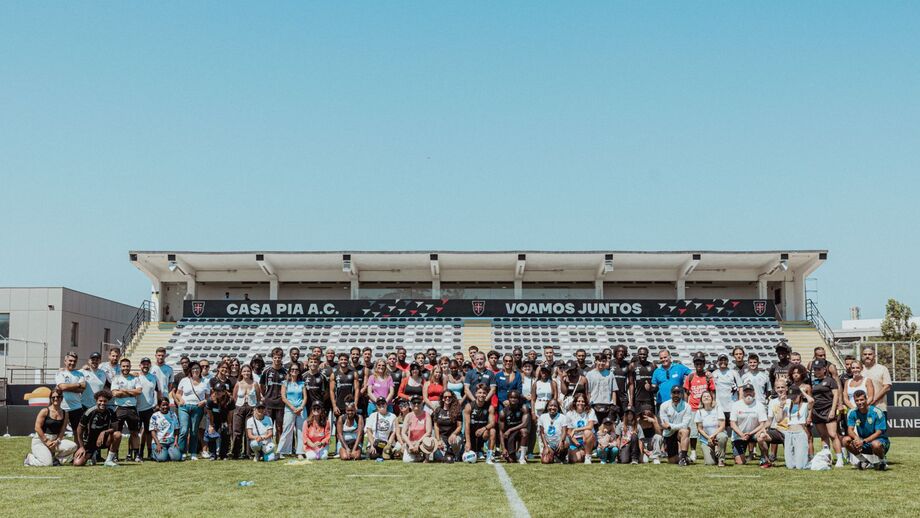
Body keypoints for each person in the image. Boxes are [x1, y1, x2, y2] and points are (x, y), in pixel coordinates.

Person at [24, 388, 78, 466]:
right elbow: (37, 428)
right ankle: (29, 458)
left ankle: (56, 460)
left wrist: (58, 440)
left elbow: (62, 430)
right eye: (53, 397)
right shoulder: (45, 411)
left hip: (55, 441)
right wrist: (47, 441)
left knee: (73, 446)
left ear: (62, 398)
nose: (56, 399)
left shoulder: (65, 413)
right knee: (47, 464)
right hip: (41, 441)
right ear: (50, 399)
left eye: (58, 397)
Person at [73, 390, 121, 467]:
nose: (102, 403)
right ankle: (92, 454)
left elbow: (115, 428)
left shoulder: (111, 411)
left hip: (104, 440)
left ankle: (108, 460)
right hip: (90, 442)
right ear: (96, 401)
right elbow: (79, 430)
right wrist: (81, 447)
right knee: (77, 463)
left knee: (117, 434)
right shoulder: (89, 412)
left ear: (108, 401)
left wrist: (104, 432)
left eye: (105, 401)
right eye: (100, 401)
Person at [844, 390, 890, 471]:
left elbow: (879, 432)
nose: (859, 402)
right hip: (863, 443)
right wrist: (856, 438)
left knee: (875, 444)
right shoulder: (853, 412)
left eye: (862, 399)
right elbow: (850, 430)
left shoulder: (877, 412)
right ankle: (864, 462)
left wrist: (863, 441)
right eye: (857, 400)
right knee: (845, 440)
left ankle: (883, 462)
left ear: (866, 399)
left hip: (880, 442)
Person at [810, 359, 844, 468]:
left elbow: (836, 395)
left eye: (819, 369)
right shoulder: (813, 381)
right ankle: (827, 458)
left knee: (833, 434)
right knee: (823, 436)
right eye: (815, 369)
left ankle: (839, 459)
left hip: (828, 409)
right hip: (817, 411)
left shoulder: (830, 380)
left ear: (824, 369)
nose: (817, 371)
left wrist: (833, 410)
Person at [683, 352, 714, 463]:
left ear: (704, 363)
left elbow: (712, 391)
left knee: (708, 430)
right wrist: (686, 405)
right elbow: (686, 392)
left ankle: (710, 450)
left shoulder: (708, 376)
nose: (699, 364)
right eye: (697, 362)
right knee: (693, 433)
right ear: (694, 364)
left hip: (705, 408)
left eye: (700, 362)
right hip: (693, 408)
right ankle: (693, 452)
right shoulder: (690, 376)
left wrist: (713, 403)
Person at [175, 361, 210, 460]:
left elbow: (208, 397)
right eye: (193, 368)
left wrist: (204, 402)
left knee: (194, 430)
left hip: (197, 407)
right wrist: (180, 399)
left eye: (197, 368)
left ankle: (193, 452)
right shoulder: (184, 380)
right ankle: (182, 452)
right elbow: (177, 393)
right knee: (184, 430)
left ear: (200, 370)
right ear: (190, 370)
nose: (195, 370)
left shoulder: (205, 381)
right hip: (184, 407)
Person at [729, 384, 770, 467]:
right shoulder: (736, 405)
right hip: (739, 435)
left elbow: (762, 424)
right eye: (746, 392)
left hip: (754, 433)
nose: (748, 394)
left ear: (754, 393)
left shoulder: (759, 405)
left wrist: (750, 433)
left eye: (750, 392)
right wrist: (741, 434)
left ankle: (764, 458)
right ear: (743, 393)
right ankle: (740, 455)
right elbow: (732, 424)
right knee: (740, 462)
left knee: (762, 436)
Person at [111, 357, 143, 462]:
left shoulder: (135, 378)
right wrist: (131, 392)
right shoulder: (116, 378)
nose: (126, 368)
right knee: (117, 433)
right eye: (124, 366)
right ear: (120, 367)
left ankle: (137, 455)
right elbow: (115, 393)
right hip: (120, 408)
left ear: (130, 367)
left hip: (132, 408)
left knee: (134, 433)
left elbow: (138, 392)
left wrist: (124, 391)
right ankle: (114, 455)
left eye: (127, 366)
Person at [231, 364, 262, 459]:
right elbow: (234, 398)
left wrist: (256, 411)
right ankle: (236, 453)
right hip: (239, 407)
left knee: (249, 431)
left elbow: (258, 398)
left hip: (251, 408)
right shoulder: (238, 383)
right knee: (237, 431)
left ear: (251, 372)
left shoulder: (255, 384)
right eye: (244, 371)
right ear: (241, 372)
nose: (246, 373)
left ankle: (249, 453)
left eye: (248, 371)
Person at [278, 364, 307, 458]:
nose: (294, 371)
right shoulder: (285, 383)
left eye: (296, 369)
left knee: (301, 431)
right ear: (290, 371)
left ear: (299, 371)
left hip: (301, 409)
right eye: (292, 369)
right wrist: (293, 408)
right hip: (289, 409)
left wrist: (301, 407)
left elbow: (305, 397)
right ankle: (283, 451)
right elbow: (283, 397)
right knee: (287, 430)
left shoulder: (302, 383)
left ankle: (300, 452)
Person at [659, 386, 692, 466]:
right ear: (671, 394)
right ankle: (682, 457)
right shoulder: (664, 405)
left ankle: (683, 458)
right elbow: (665, 424)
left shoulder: (687, 406)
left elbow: (685, 425)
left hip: (679, 432)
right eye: (674, 393)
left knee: (685, 431)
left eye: (678, 393)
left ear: (682, 394)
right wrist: (670, 427)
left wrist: (671, 426)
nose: (676, 395)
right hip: (668, 433)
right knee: (672, 461)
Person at [135, 357, 161, 461]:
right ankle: (136, 453)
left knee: (149, 432)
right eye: (143, 364)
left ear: (150, 365)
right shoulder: (135, 377)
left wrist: (158, 404)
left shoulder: (153, 378)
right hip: (136, 408)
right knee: (135, 432)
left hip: (149, 409)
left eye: (147, 364)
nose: (145, 366)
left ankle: (149, 452)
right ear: (140, 366)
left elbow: (158, 391)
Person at [464, 384, 497, 464]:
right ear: (475, 394)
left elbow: (492, 423)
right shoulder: (469, 406)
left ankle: (489, 457)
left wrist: (484, 429)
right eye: (479, 392)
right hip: (472, 433)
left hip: (483, 433)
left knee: (493, 431)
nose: (481, 395)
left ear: (486, 394)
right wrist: (468, 442)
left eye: (484, 393)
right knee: (466, 456)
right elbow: (467, 425)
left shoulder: (490, 407)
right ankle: (474, 449)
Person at [781, 386, 812, 469]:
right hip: (789, 433)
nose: (793, 399)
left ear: (799, 395)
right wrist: (781, 405)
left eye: (795, 397)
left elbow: (811, 401)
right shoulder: (787, 405)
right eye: (791, 397)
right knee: (789, 466)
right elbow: (779, 419)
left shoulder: (805, 405)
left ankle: (808, 461)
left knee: (800, 466)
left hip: (800, 433)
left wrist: (803, 392)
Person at [261, 347, 288, 442]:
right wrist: (265, 397)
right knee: (268, 427)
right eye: (275, 357)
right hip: (269, 404)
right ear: (272, 358)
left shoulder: (285, 372)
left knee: (280, 427)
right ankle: (268, 447)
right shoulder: (266, 371)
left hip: (280, 403)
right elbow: (262, 386)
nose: (277, 359)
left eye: (279, 357)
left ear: (281, 358)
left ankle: (279, 450)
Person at [55, 352, 86, 435]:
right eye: (70, 360)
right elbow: (62, 387)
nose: (72, 363)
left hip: (76, 407)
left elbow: (82, 389)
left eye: (74, 361)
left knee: (78, 432)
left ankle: (78, 448)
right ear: (65, 361)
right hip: (62, 407)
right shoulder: (60, 373)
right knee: (58, 432)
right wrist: (78, 385)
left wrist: (66, 388)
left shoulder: (80, 374)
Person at [759, 379, 789, 463]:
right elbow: (769, 420)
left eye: (782, 387)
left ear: (786, 388)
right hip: (777, 431)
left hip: (789, 431)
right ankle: (765, 460)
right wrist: (762, 429)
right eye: (778, 387)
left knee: (791, 463)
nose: (780, 389)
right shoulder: (772, 402)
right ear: (775, 389)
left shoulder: (791, 400)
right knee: (761, 437)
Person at [695, 391, 728, 466]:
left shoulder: (717, 409)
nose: (706, 397)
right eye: (704, 396)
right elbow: (699, 429)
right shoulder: (699, 412)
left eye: (708, 396)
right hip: (706, 439)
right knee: (710, 463)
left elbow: (722, 426)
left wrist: (712, 436)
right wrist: (708, 438)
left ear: (712, 399)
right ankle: (715, 454)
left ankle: (721, 459)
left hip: (717, 436)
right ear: (701, 400)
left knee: (722, 436)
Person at [586, 354, 619, 426]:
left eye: (603, 361)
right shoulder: (589, 374)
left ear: (606, 362)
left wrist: (614, 405)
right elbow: (588, 392)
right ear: (595, 361)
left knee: (607, 429)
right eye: (599, 361)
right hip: (594, 405)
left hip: (608, 405)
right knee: (594, 428)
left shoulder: (610, 374)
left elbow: (614, 391)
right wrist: (588, 405)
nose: (601, 363)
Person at [499, 389, 530, 464]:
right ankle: (514, 454)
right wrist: (503, 448)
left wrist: (510, 429)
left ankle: (522, 457)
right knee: (511, 460)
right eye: (511, 397)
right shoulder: (503, 412)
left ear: (518, 399)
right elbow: (501, 431)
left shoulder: (524, 408)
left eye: (515, 398)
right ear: (508, 399)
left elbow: (524, 424)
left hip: (518, 432)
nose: (513, 399)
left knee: (524, 431)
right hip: (509, 436)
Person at [564, 393, 597, 464]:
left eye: (583, 401)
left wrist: (576, 429)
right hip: (575, 440)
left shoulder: (590, 411)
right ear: (575, 402)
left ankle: (588, 456)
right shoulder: (569, 413)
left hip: (588, 439)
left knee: (587, 431)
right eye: (578, 401)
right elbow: (569, 432)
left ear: (586, 402)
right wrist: (577, 444)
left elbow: (590, 426)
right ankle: (576, 453)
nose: (580, 403)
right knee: (577, 459)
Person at [432, 390, 463, 462]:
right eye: (445, 397)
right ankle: (447, 453)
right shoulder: (438, 410)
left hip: (453, 437)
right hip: (442, 437)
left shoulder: (457, 410)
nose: (447, 398)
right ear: (442, 398)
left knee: (454, 441)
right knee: (438, 458)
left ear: (452, 398)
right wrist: (438, 440)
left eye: (449, 397)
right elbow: (436, 426)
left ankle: (456, 455)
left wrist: (454, 434)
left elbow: (459, 426)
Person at [860, 347, 892, 416]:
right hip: (862, 409)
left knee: (879, 427)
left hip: (879, 407)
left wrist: (874, 399)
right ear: (862, 356)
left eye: (870, 354)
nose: (867, 356)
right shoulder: (859, 370)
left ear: (874, 356)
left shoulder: (882, 369)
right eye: (865, 354)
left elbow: (887, 387)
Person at [711, 354, 742, 424]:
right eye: (721, 360)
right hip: (719, 406)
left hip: (732, 405)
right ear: (717, 362)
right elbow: (712, 390)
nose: (723, 362)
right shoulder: (714, 374)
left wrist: (740, 402)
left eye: (725, 360)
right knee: (721, 428)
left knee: (733, 426)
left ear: (728, 361)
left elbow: (740, 388)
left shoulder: (734, 373)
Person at [149, 397, 182, 462]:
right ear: (159, 406)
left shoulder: (173, 414)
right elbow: (152, 432)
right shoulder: (154, 416)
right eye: (163, 405)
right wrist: (157, 444)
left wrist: (175, 441)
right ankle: (153, 453)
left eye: (167, 405)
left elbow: (176, 429)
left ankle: (168, 452)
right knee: (162, 459)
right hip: (160, 442)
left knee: (177, 458)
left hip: (171, 442)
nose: (165, 407)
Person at [402, 395, 432, 462]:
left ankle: (425, 455)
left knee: (427, 440)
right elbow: (403, 433)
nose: (416, 404)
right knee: (407, 460)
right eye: (414, 402)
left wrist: (418, 442)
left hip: (423, 443)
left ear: (422, 403)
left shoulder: (427, 415)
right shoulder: (408, 416)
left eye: (418, 402)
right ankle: (418, 456)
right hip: (411, 443)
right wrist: (410, 445)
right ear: (410, 404)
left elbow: (429, 432)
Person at [537, 399, 568, 464]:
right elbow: (542, 433)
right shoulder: (542, 417)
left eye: (555, 406)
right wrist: (546, 446)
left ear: (558, 407)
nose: (552, 408)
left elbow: (564, 431)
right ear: (547, 407)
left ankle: (562, 457)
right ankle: (554, 456)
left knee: (565, 444)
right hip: (549, 445)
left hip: (559, 443)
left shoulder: (563, 417)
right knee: (545, 461)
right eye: (550, 406)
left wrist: (561, 441)